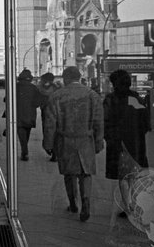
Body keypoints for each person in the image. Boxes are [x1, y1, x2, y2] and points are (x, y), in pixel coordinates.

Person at [42, 66, 103, 222]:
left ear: (65, 78)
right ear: (79, 77)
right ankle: (86, 201)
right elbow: (98, 121)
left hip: (65, 140)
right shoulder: (92, 95)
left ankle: (73, 203)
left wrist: (48, 143)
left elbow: (50, 123)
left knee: (69, 174)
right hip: (86, 140)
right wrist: (98, 140)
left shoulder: (57, 96)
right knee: (86, 173)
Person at [103, 69, 149, 180]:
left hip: (116, 144)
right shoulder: (137, 99)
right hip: (136, 143)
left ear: (114, 84)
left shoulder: (110, 100)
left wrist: (109, 137)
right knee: (135, 174)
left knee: (121, 176)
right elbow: (146, 122)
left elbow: (104, 121)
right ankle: (132, 196)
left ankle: (126, 197)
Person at [16, 69, 42, 161]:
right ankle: (24, 151)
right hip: (30, 114)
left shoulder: (15, 87)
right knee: (27, 133)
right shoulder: (33, 88)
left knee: (21, 132)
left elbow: (7, 99)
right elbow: (38, 102)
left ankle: (24, 151)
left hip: (18, 113)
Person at [37, 72, 60, 162]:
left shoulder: (40, 89)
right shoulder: (56, 88)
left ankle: (49, 148)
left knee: (47, 131)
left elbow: (37, 100)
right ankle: (55, 152)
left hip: (46, 112)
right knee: (55, 132)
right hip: (57, 112)